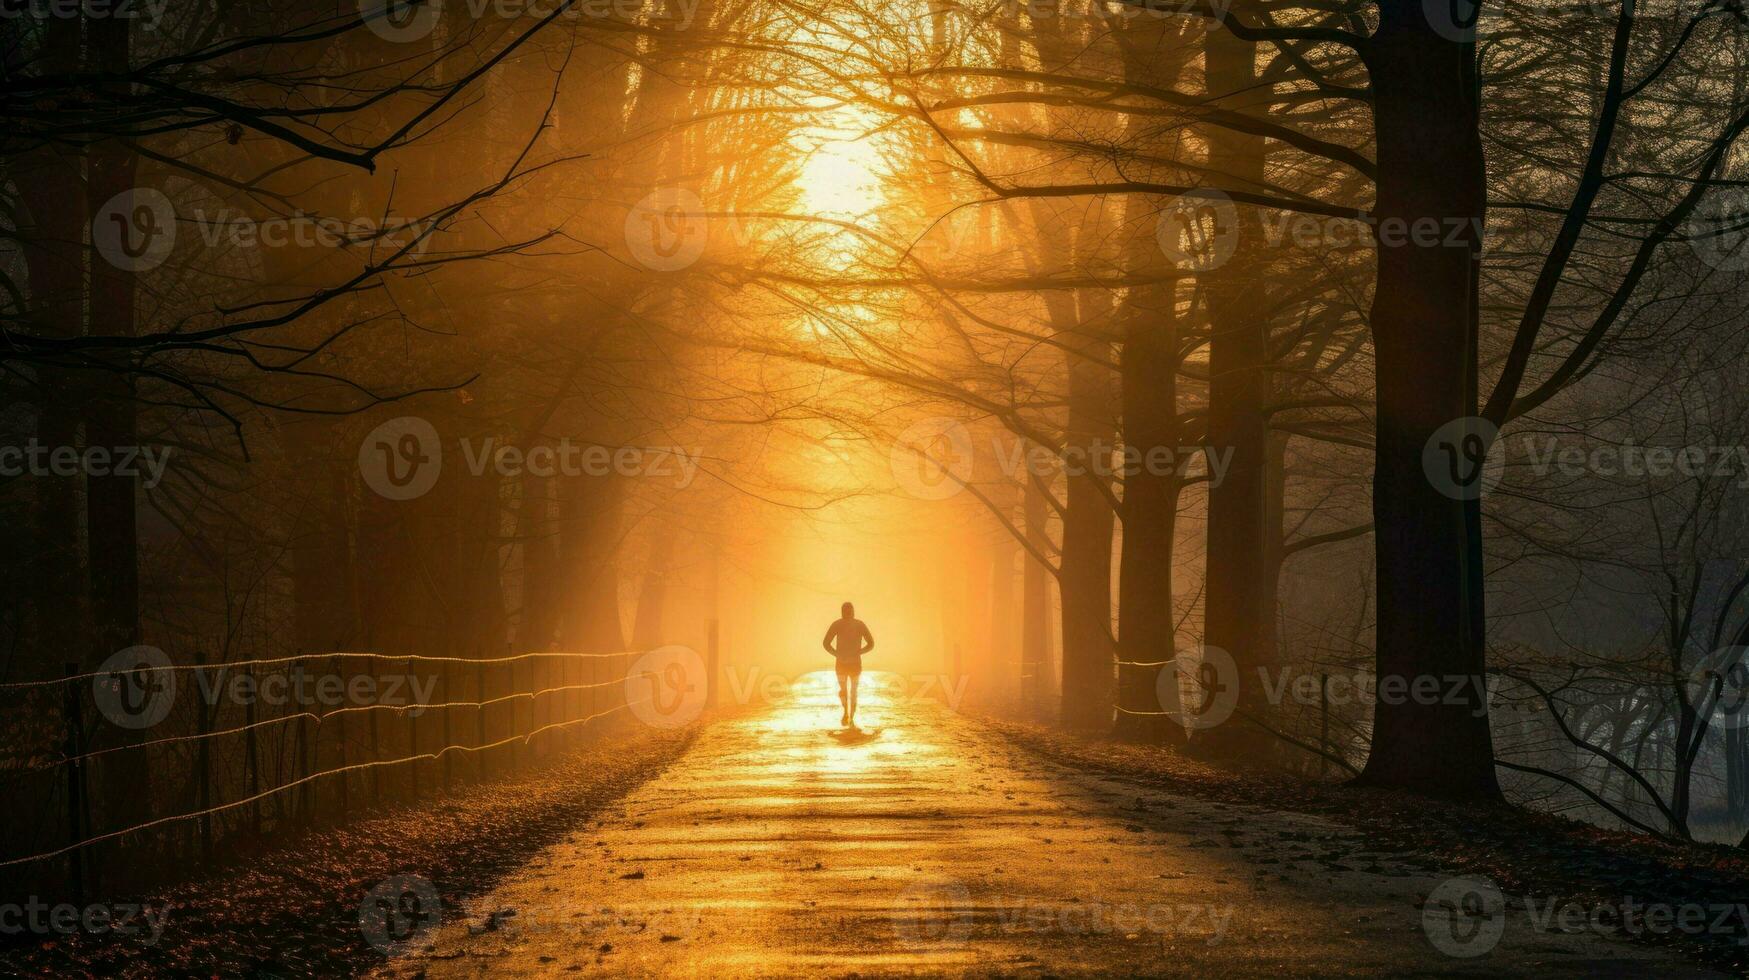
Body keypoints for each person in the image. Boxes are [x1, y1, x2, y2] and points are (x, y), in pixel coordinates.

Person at [821, 601, 874, 728]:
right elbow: (871, 644)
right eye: (847, 610)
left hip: (846, 664)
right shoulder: (851, 624)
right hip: (849, 663)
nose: (848, 613)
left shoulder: (849, 624)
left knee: (848, 690)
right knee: (849, 691)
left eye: (848, 610)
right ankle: (848, 715)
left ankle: (848, 715)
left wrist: (838, 653)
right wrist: (858, 652)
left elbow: (825, 644)